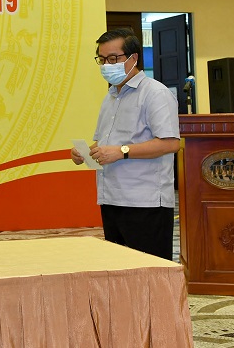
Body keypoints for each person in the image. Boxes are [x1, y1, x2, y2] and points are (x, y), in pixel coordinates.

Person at [71, 28, 180, 260]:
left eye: (113, 58)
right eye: (102, 59)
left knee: (149, 271)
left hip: (146, 201)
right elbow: (106, 142)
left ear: (134, 58)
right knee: (120, 270)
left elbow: (170, 143)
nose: (106, 65)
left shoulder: (155, 93)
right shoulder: (111, 96)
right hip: (111, 197)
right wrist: (86, 153)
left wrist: (122, 152)